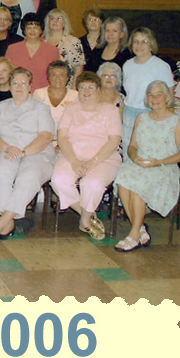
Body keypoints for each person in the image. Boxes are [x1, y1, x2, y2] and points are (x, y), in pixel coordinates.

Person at [113, 81, 180, 251]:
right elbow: (132, 145)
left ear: (167, 97)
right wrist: (134, 157)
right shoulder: (142, 117)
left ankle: (133, 236)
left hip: (164, 166)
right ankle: (140, 230)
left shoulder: (176, 121)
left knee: (138, 187)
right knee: (123, 179)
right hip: (140, 162)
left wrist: (157, 162)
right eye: (151, 95)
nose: (154, 98)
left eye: (159, 94)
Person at [51, 71, 122, 241]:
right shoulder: (70, 109)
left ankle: (84, 220)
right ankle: (86, 213)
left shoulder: (110, 110)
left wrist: (93, 162)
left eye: (90, 87)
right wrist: (74, 161)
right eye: (82, 87)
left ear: (98, 89)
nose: (86, 91)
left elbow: (114, 140)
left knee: (92, 183)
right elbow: (62, 137)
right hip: (72, 155)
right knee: (59, 181)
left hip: (104, 157)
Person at [0, 67, 55, 240]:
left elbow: (46, 136)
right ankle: (9, 223)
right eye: (15, 83)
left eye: (23, 83)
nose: (19, 87)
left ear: (30, 86)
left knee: (28, 177)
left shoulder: (41, 108)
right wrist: (7, 148)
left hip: (36, 153)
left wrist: (24, 152)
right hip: (6, 151)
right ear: (9, 86)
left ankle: (4, 220)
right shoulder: (0, 107)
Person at [121, 27, 175, 151]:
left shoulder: (161, 66)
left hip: (151, 115)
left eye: (144, 41)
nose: (139, 45)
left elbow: (170, 98)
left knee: (149, 152)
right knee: (129, 152)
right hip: (129, 115)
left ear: (151, 45)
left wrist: (166, 124)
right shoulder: (127, 65)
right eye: (136, 41)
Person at [5, 13, 60, 92]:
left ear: (41, 30)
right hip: (18, 93)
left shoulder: (52, 50)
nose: (32, 31)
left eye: (35, 27)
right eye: (29, 28)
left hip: (44, 95)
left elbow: (56, 75)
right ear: (24, 30)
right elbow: (7, 74)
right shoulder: (12, 49)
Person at [32, 60, 79, 131]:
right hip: (43, 137)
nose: (57, 78)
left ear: (67, 78)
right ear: (48, 77)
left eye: (62, 75)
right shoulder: (39, 94)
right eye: (54, 75)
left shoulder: (75, 95)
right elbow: (33, 119)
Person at [44, 9, 85, 82]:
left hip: (67, 86)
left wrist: (74, 88)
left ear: (64, 23)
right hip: (45, 85)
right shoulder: (42, 42)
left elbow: (78, 69)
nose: (55, 21)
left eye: (59, 18)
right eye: (52, 18)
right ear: (48, 22)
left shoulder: (73, 42)